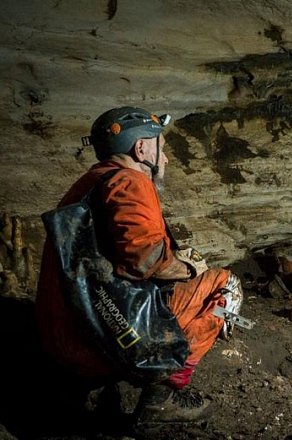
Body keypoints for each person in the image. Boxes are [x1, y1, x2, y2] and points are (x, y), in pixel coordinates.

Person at [35, 106, 243, 424]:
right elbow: (146, 258)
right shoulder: (130, 182)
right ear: (141, 147)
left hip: (62, 341)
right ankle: (163, 397)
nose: (166, 158)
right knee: (223, 284)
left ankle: (91, 387)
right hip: (96, 344)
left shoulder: (89, 183)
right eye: (162, 147)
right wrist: (189, 269)